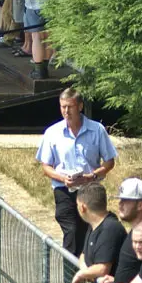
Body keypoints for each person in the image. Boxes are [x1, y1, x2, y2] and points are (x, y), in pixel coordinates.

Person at [37, 88, 118, 255]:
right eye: (63, 107)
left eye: (70, 107)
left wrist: (92, 176)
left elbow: (109, 162)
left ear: (80, 106)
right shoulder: (52, 132)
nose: (66, 111)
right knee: (72, 232)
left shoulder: (97, 130)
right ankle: (70, 271)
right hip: (64, 190)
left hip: (91, 190)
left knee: (91, 233)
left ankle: (92, 267)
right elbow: (46, 166)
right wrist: (63, 178)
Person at [70, 183, 127, 283]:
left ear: (82, 207)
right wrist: (85, 271)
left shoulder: (110, 229)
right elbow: (83, 255)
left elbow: (102, 269)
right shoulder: (93, 225)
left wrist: (81, 274)